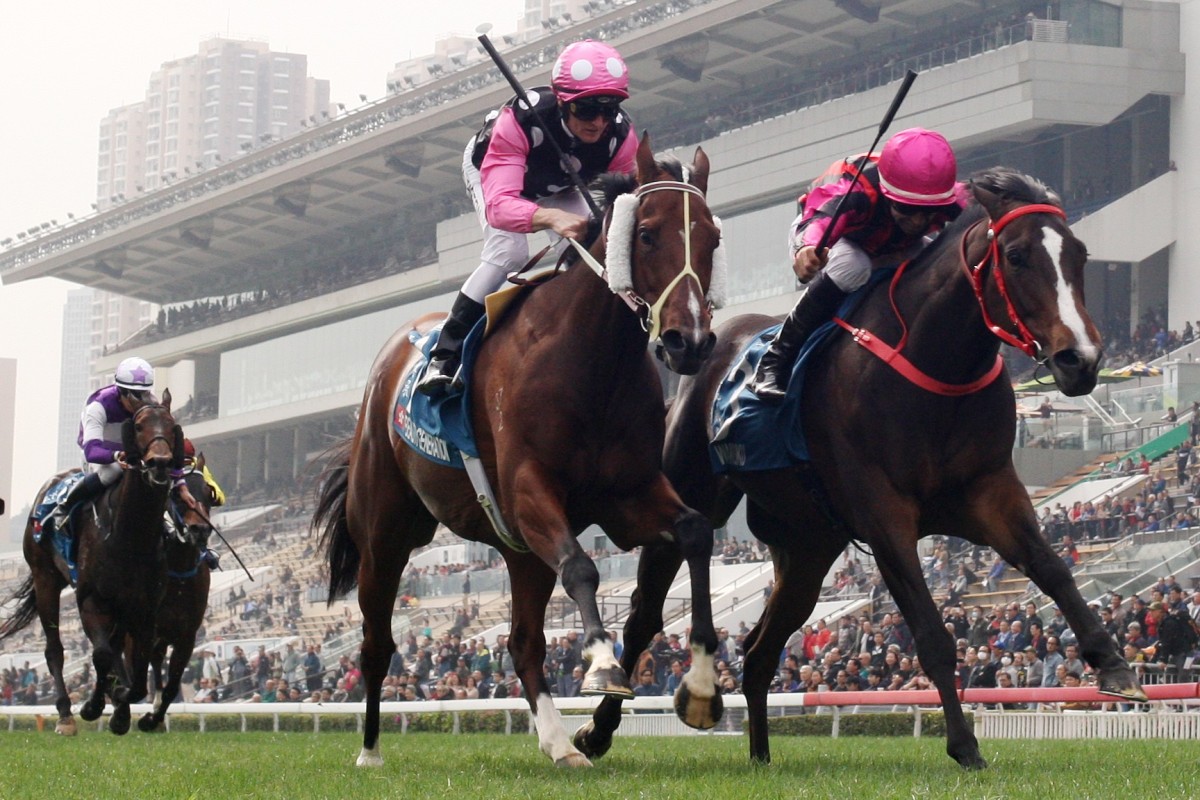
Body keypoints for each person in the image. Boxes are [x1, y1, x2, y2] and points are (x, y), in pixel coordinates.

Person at [416, 39, 637, 395]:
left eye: (608, 110)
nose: (598, 122)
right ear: (563, 101)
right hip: (497, 174)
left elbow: (624, 207)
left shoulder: (621, 137)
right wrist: (550, 219)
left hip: (560, 183)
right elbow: (501, 207)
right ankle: (445, 355)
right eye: (586, 110)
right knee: (509, 252)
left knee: (591, 249)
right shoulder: (518, 121)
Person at [749, 128, 968, 402]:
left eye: (928, 212)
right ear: (887, 194)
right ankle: (776, 359)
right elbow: (821, 219)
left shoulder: (955, 198)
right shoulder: (857, 189)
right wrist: (808, 248)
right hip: (836, 237)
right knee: (853, 265)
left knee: (938, 261)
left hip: (893, 245)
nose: (917, 222)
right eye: (908, 209)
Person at [51, 356, 196, 532]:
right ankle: (65, 507)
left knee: (156, 473)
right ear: (120, 391)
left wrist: (180, 483)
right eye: (133, 395)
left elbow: (164, 449)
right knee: (113, 471)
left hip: (134, 452)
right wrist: (115, 456)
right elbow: (91, 451)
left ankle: (169, 523)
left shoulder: (151, 405)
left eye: (143, 394)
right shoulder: (98, 406)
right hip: (101, 453)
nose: (139, 400)